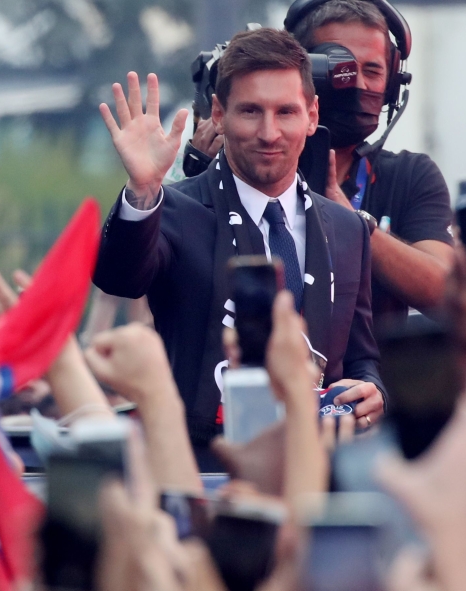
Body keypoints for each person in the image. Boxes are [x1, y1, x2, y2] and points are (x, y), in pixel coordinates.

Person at [93, 28, 384, 452]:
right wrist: (141, 191)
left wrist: (373, 391)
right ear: (218, 113)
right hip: (201, 470)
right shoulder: (172, 209)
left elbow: (360, 358)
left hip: (318, 471)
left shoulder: (347, 228)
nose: (269, 133)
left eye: (285, 112)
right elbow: (119, 279)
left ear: (312, 115)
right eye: (250, 112)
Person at [286, 0, 455, 324]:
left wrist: (354, 224)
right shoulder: (255, 160)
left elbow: (446, 292)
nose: (359, 84)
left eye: (373, 70)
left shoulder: (410, 176)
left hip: (372, 374)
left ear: (392, 85)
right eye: (342, 67)